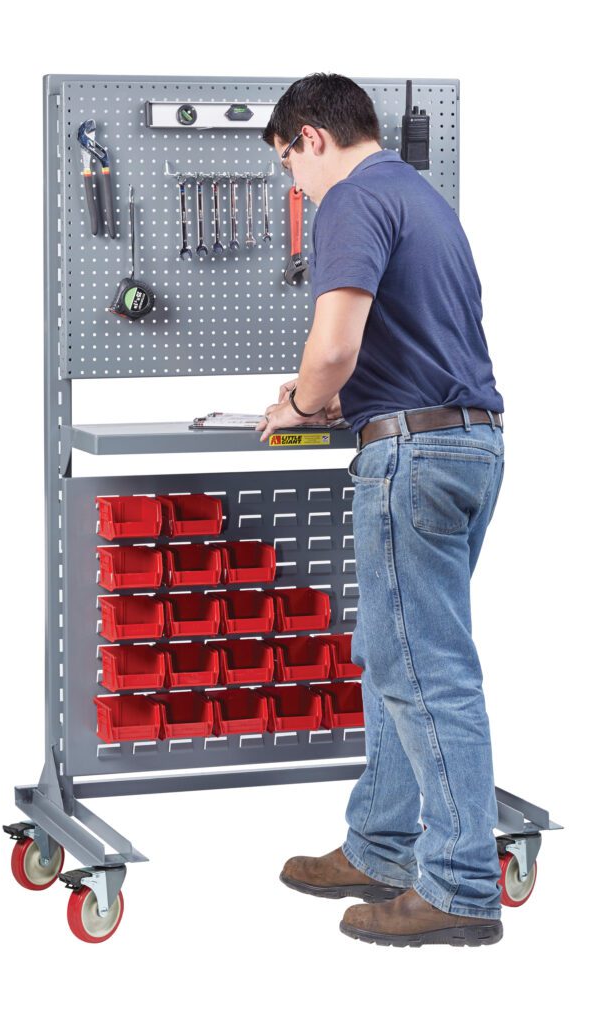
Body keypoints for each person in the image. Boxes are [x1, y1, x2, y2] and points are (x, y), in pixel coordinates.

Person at [255, 73, 506, 948]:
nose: (295, 187)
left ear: (311, 137)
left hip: (411, 452)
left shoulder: (350, 200)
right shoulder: (417, 194)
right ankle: (381, 847)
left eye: (289, 164)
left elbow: (334, 345)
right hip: (467, 444)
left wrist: (302, 403)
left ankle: (460, 889)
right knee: (393, 654)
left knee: (425, 670)